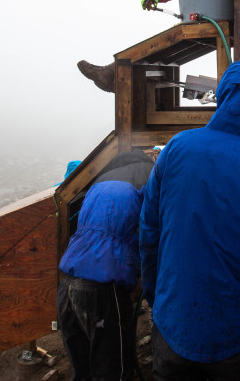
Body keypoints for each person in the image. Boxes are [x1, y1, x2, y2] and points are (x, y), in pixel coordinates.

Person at [139, 60, 240, 381]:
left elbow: (149, 233)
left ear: (223, 93)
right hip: (237, 337)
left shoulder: (175, 149)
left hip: (173, 326)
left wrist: (157, 300)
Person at [57, 149, 154, 381]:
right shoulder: (150, 176)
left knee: (83, 371)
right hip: (103, 289)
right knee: (114, 371)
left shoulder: (100, 180)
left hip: (68, 284)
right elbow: (151, 233)